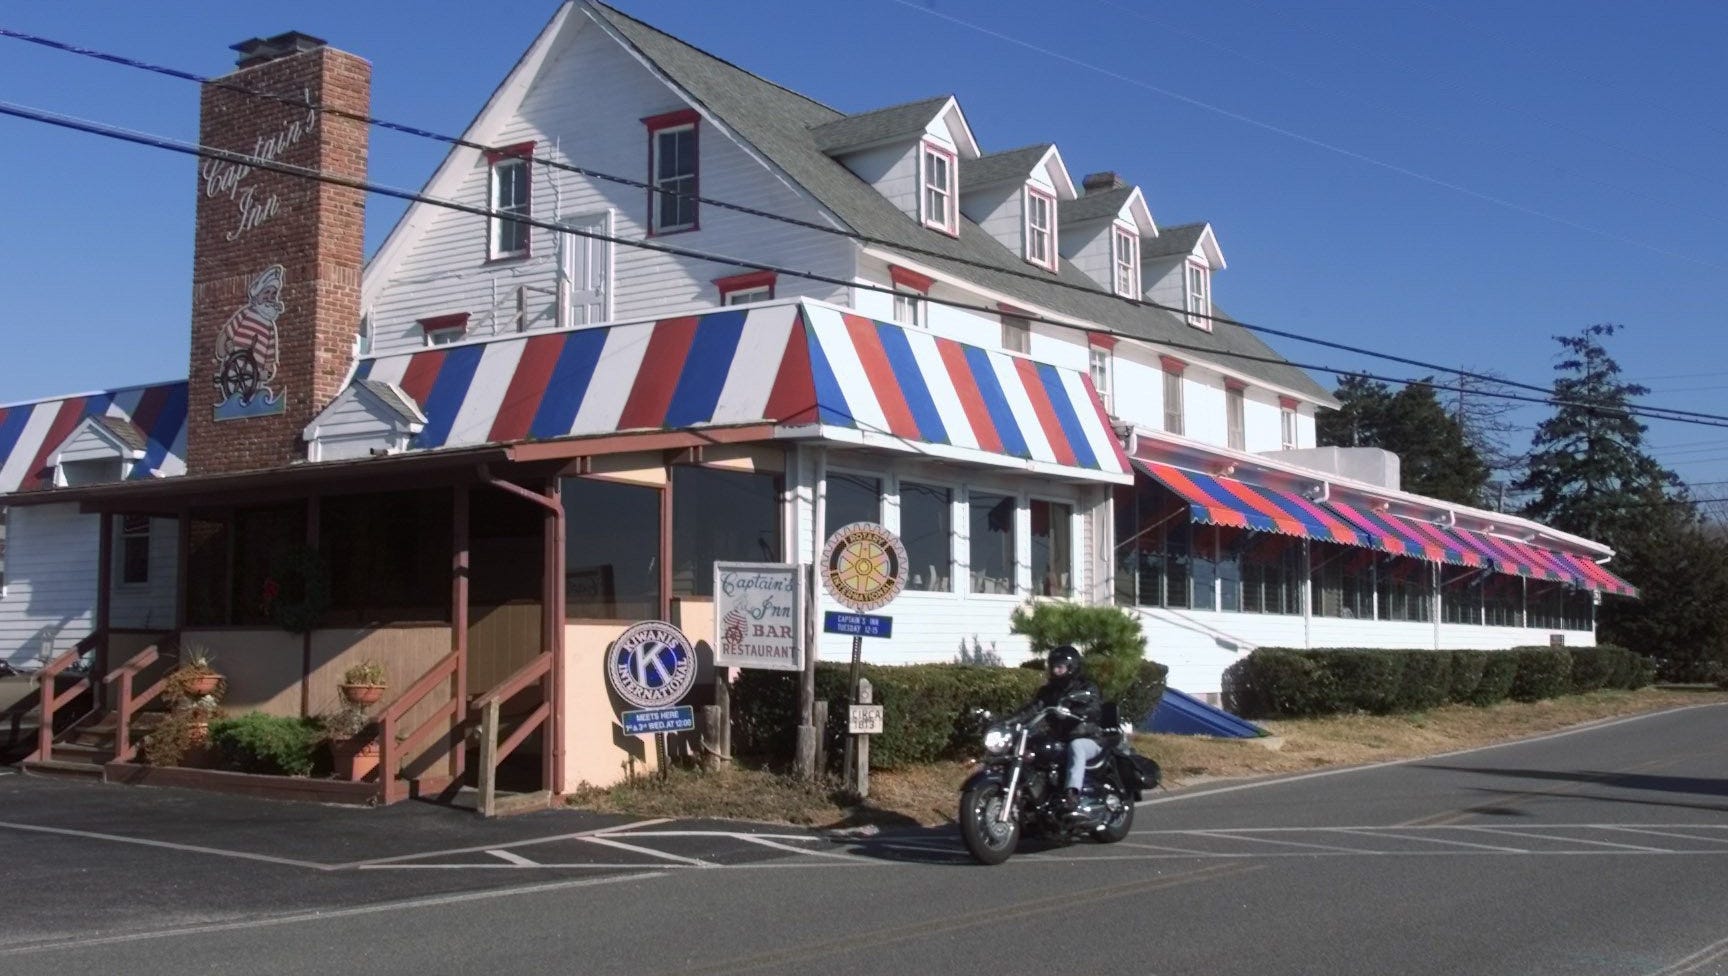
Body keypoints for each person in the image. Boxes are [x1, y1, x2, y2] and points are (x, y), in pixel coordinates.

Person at [1012, 644, 1103, 814]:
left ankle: (1072, 794)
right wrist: (1008, 721)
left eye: (1060, 667)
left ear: (1071, 668)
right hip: (1060, 738)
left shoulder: (1086, 688)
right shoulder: (1048, 691)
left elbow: (1094, 708)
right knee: (1034, 746)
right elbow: (1033, 708)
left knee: (1076, 746)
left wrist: (1076, 712)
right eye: (1053, 667)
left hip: (1089, 738)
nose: (1055, 671)